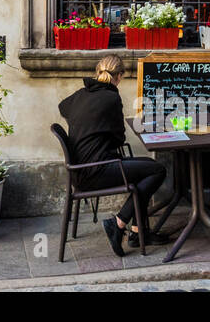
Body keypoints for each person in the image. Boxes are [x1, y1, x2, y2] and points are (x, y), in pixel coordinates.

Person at [58, 54, 168, 257]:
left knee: (143, 172)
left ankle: (139, 232)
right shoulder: (111, 97)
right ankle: (119, 223)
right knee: (157, 170)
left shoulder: (82, 93)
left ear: (98, 72)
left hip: (82, 170)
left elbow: (62, 107)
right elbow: (118, 139)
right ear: (119, 76)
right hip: (97, 171)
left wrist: (85, 122)